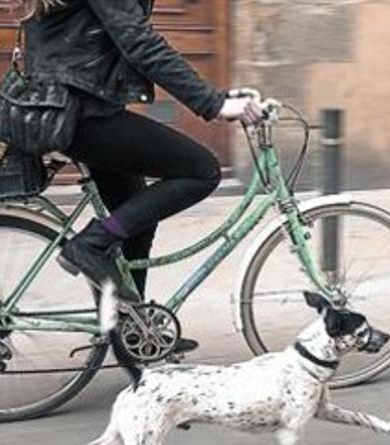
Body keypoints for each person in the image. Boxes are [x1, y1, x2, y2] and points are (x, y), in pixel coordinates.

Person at [14, 0, 263, 305]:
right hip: (79, 116)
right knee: (202, 170)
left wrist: (217, 96)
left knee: (135, 217)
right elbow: (140, 42)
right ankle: (91, 244)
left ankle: (133, 332)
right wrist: (213, 103)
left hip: (73, 111)